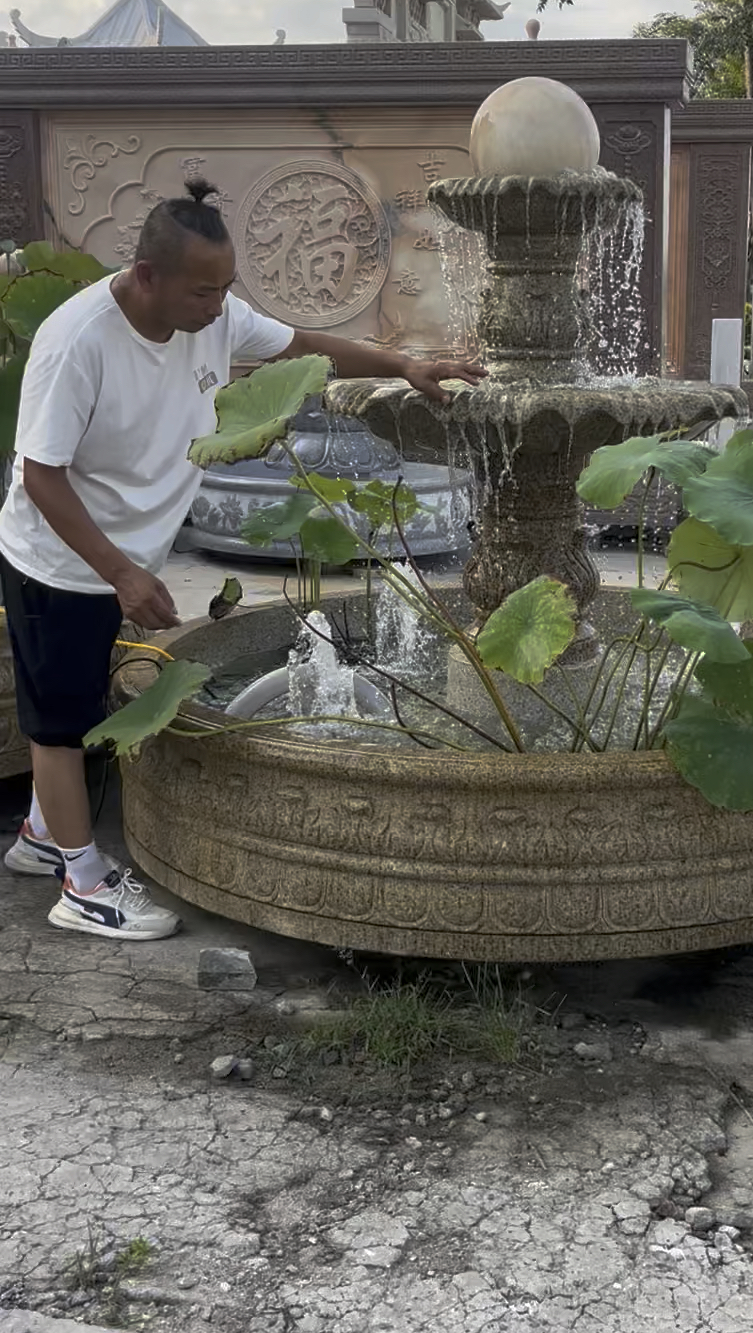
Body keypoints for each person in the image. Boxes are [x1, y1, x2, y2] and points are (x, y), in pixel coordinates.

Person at [0, 179, 485, 940]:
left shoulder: (211, 317)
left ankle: (40, 839)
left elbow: (303, 345)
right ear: (146, 274)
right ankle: (82, 883)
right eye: (204, 291)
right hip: (59, 564)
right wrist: (121, 574)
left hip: (120, 558)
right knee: (59, 726)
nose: (219, 307)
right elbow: (40, 474)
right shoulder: (78, 342)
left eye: (227, 289)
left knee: (76, 701)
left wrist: (402, 365)